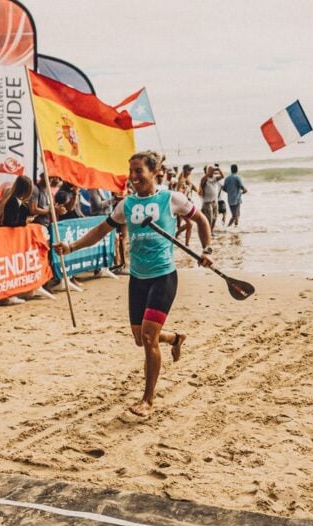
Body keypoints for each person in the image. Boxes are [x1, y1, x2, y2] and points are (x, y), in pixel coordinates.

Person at [54, 150, 213, 418]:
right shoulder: (125, 205)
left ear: (154, 172)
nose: (134, 177)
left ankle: (147, 401)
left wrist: (207, 249)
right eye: (131, 171)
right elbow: (99, 232)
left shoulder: (171, 198)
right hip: (137, 278)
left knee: (149, 338)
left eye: (139, 171)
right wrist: (71, 247)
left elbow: (201, 220)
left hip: (163, 276)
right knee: (141, 339)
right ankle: (174, 338)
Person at [175, 164, 197, 246]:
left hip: (188, 204)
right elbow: (178, 192)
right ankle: (177, 234)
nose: (190, 172)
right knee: (190, 224)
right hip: (182, 205)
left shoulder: (187, 179)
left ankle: (187, 243)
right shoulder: (181, 180)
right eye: (189, 170)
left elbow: (195, 189)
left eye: (191, 170)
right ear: (184, 170)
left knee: (190, 225)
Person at [199, 165, 222, 231]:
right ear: (208, 171)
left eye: (213, 170)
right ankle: (208, 232)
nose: (213, 172)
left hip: (214, 201)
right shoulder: (205, 179)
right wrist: (208, 173)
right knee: (210, 219)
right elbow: (202, 182)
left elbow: (222, 176)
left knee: (215, 218)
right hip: (207, 202)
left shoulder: (215, 178)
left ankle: (210, 231)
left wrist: (219, 169)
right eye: (211, 170)